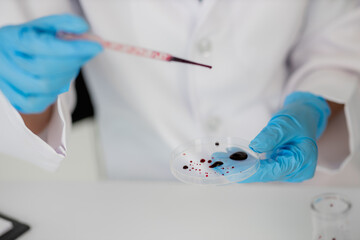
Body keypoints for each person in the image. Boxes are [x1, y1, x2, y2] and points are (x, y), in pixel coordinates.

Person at [0, 0, 359, 182]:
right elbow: (30, 58)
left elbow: (338, 32)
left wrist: (314, 102)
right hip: (145, 185)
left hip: (293, 183)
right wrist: (29, 87)